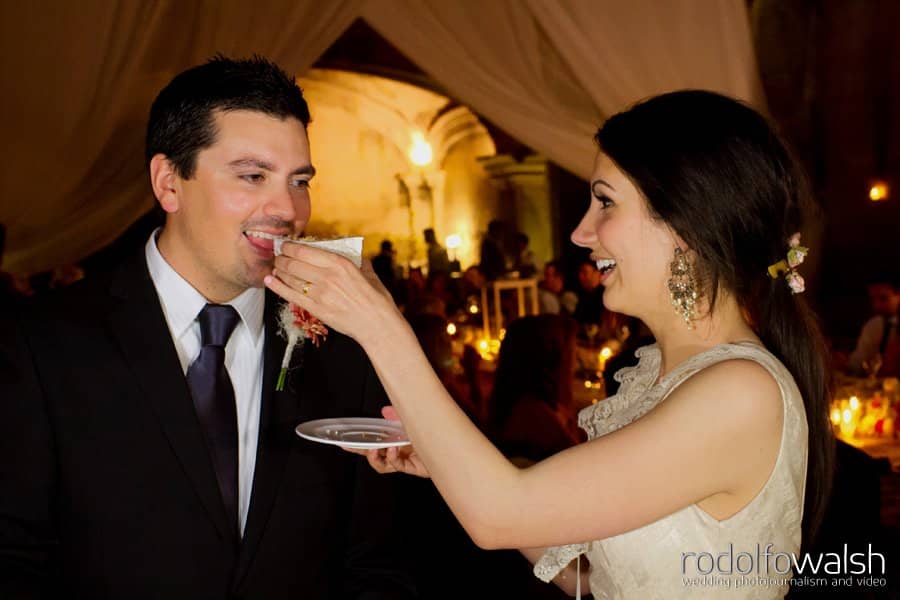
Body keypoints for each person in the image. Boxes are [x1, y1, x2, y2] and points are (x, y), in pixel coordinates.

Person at [267, 90, 834, 598]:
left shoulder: (740, 391)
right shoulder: (658, 371)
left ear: (686, 224)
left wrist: (379, 322)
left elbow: (500, 515)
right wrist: (444, 461)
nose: (580, 232)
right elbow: (593, 577)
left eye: (606, 203)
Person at [0, 56, 414, 598]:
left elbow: (380, 560)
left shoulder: (346, 346)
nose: (287, 209)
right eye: (252, 176)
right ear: (169, 183)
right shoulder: (39, 344)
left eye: (300, 181)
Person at [487, 315, 583, 465]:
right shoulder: (533, 414)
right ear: (552, 360)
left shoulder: (540, 404)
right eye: (572, 354)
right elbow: (583, 465)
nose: (576, 364)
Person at [847, 276, 900, 378]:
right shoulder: (873, 325)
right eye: (873, 299)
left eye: (883, 298)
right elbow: (858, 360)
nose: (876, 305)